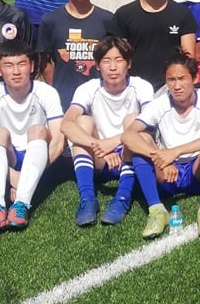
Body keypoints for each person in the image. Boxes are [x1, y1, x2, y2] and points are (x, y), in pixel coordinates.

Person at [122, 54, 200, 240]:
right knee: (140, 148)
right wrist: (159, 157)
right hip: (168, 173)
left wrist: (176, 151)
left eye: (182, 79)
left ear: (195, 78)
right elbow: (128, 135)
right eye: (171, 80)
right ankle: (156, 210)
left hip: (197, 171)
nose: (176, 86)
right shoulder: (159, 104)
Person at [61, 36, 154, 227]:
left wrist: (115, 141)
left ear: (129, 64)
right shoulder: (87, 88)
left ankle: (122, 198)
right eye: (106, 61)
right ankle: (87, 199)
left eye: (119, 60)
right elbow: (66, 124)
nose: (113, 67)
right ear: (97, 65)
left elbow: (150, 124)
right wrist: (100, 146)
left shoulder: (141, 86)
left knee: (134, 121)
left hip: (131, 154)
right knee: (83, 121)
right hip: (101, 158)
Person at [0, 40, 64, 232]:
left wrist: (26, 179)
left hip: (38, 154)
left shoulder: (47, 92)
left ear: (31, 66)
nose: (16, 71)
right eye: (8, 65)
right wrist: (13, 177)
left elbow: (58, 142)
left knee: (38, 129)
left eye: (21, 64)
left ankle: (22, 203)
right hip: (7, 157)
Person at [108, 0, 197, 91]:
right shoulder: (124, 14)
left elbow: (189, 57)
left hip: (170, 86)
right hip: (133, 86)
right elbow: (119, 56)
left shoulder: (182, 14)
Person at [36, 0, 114, 110]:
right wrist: (55, 88)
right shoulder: (51, 20)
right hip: (64, 98)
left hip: (100, 98)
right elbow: (44, 60)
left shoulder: (107, 19)